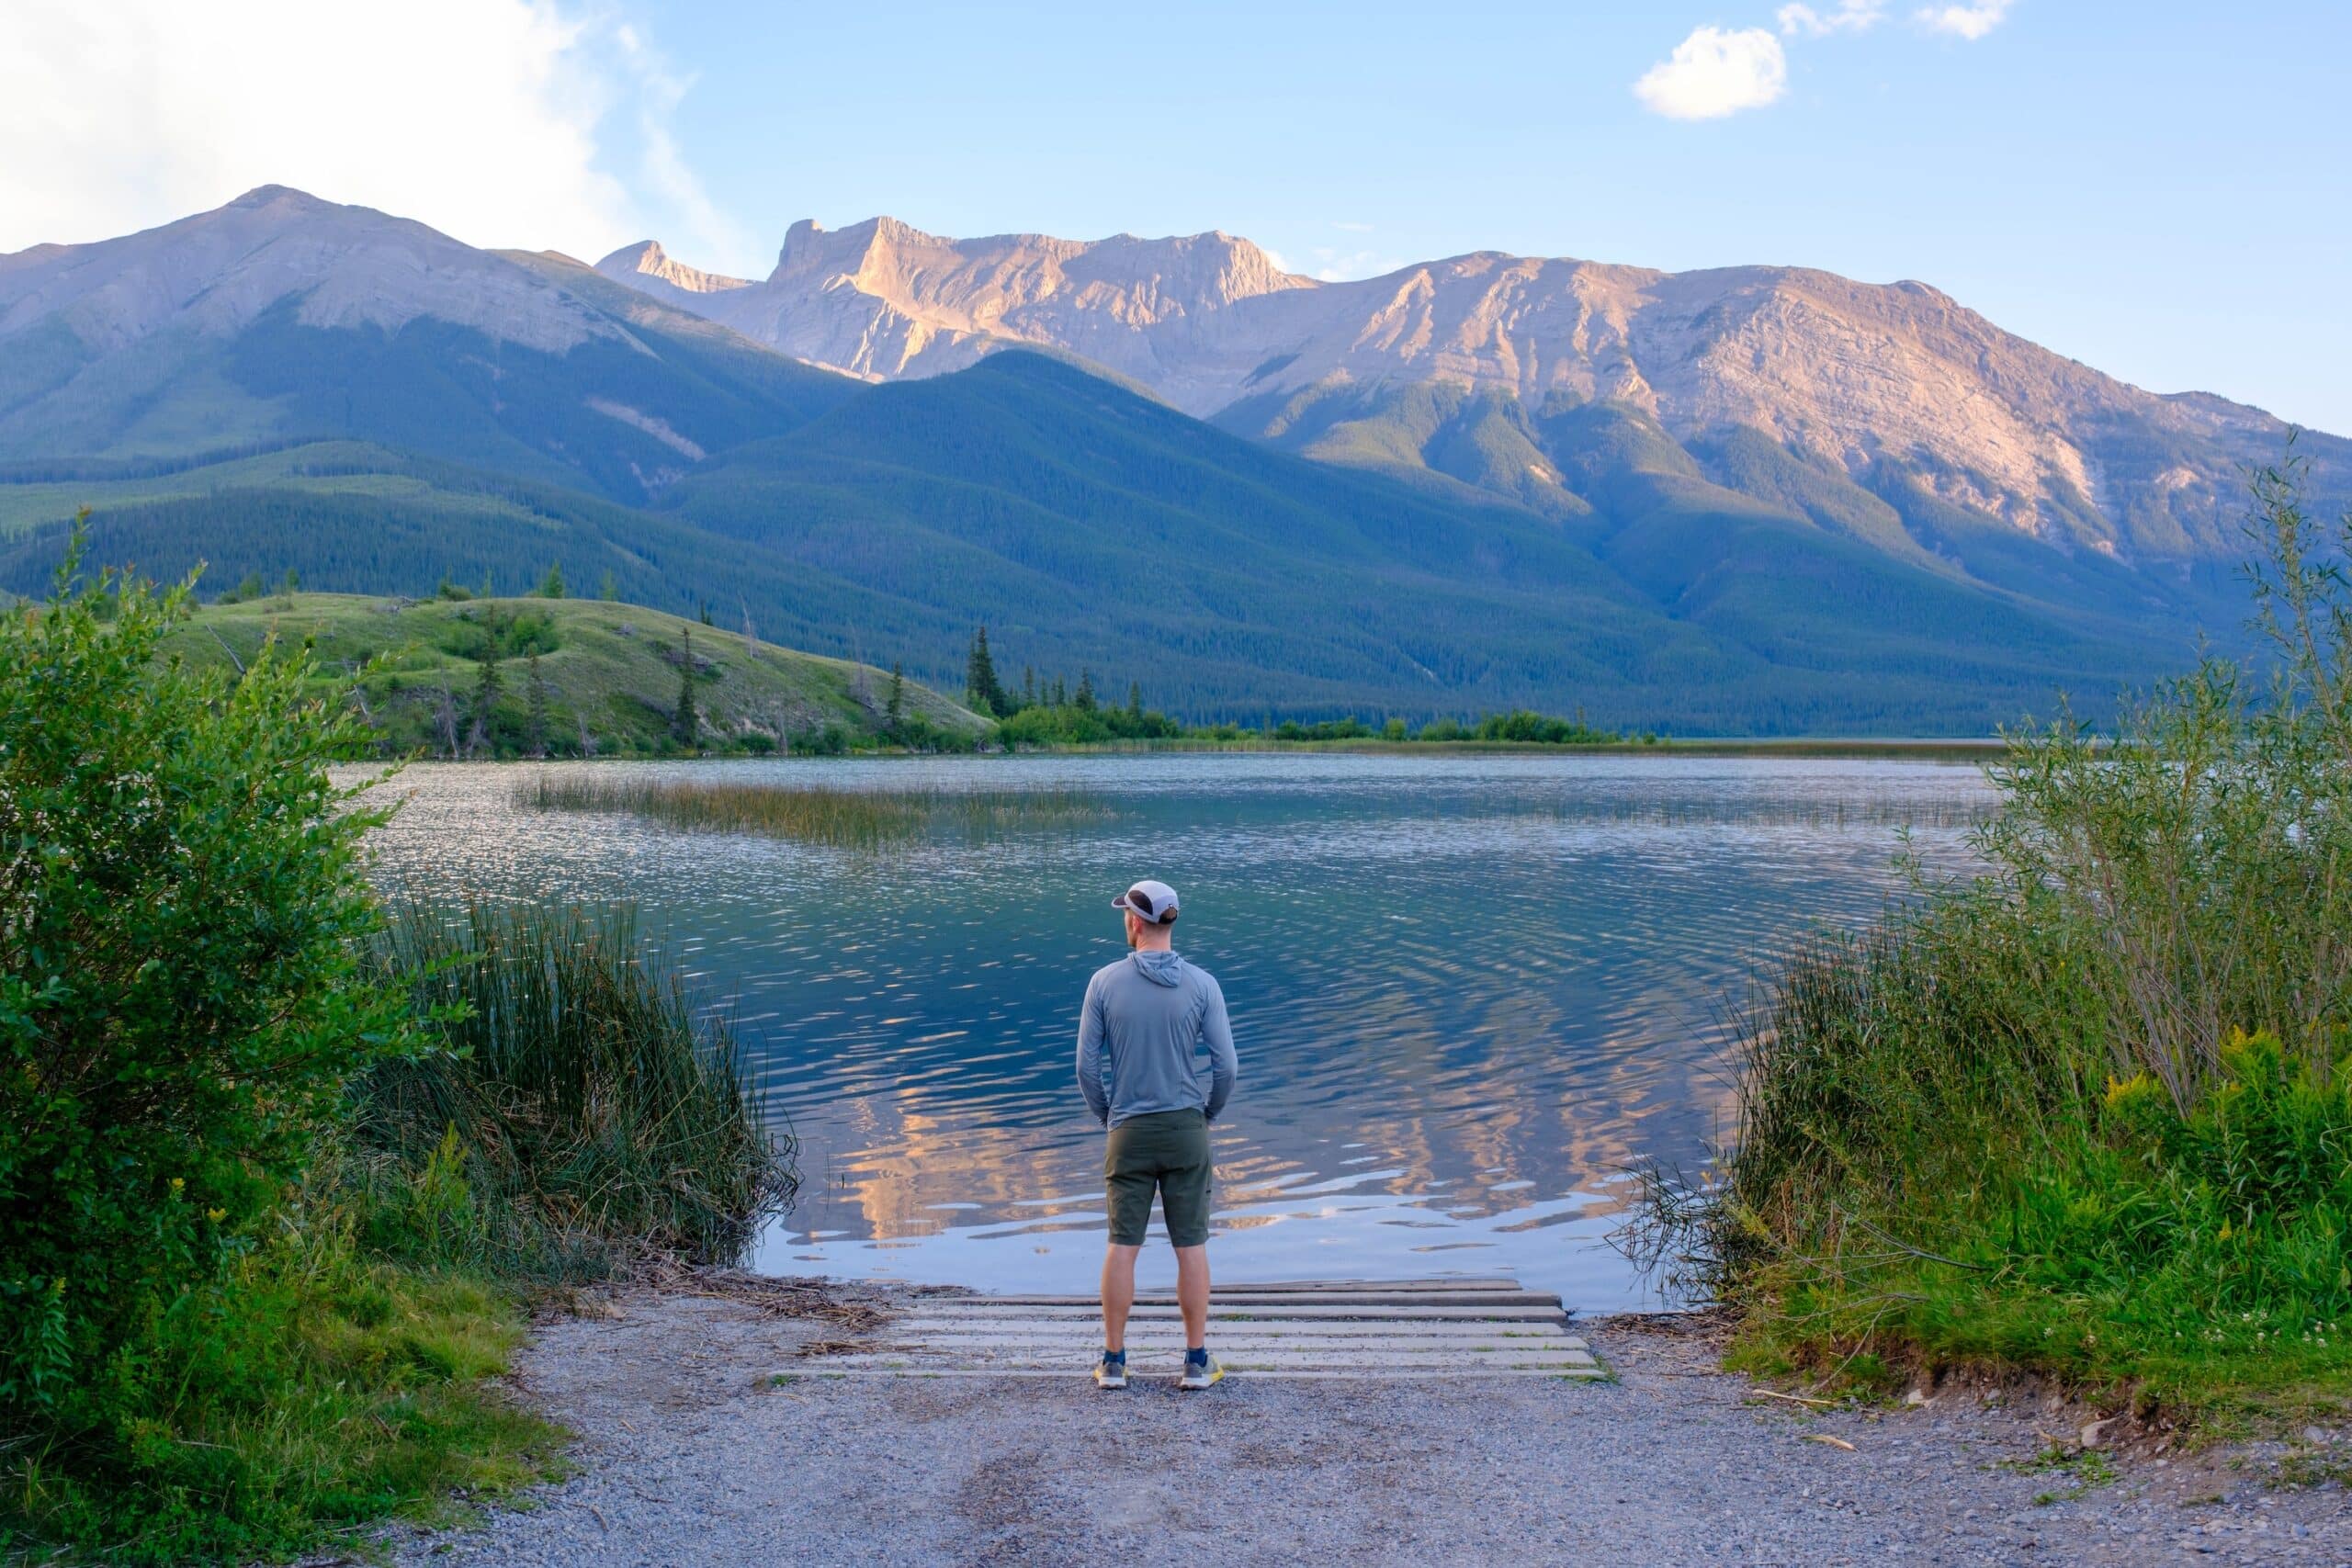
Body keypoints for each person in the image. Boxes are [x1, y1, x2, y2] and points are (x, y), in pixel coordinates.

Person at [1076, 878, 1238, 1390]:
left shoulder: (1103, 983)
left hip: (1128, 1129)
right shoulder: (1203, 985)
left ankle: (1114, 1363)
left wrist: (1111, 1118)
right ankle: (1195, 1362)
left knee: (1122, 1244)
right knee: (1190, 1244)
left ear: (1134, 922)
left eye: (1125, 912)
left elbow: (1085, 1068)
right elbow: (1226, 1067)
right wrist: (1205, 1116)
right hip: (1187, 1128)